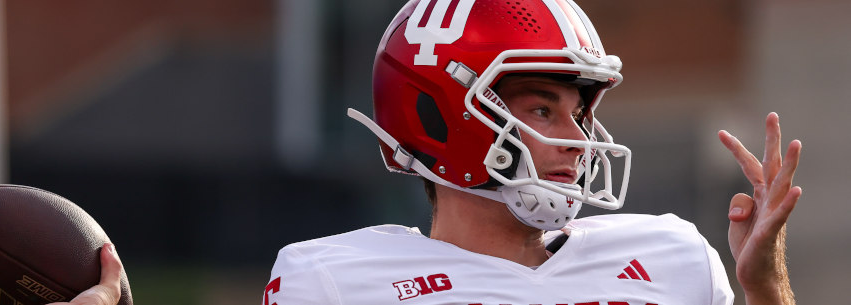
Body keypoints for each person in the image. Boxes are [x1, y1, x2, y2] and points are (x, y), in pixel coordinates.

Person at [264, 1, 801, 305]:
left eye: (579, 113)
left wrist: (764, 283)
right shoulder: (334, 285)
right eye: (542, 111)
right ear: (444, 116)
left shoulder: (674, 256)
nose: (577, 138)